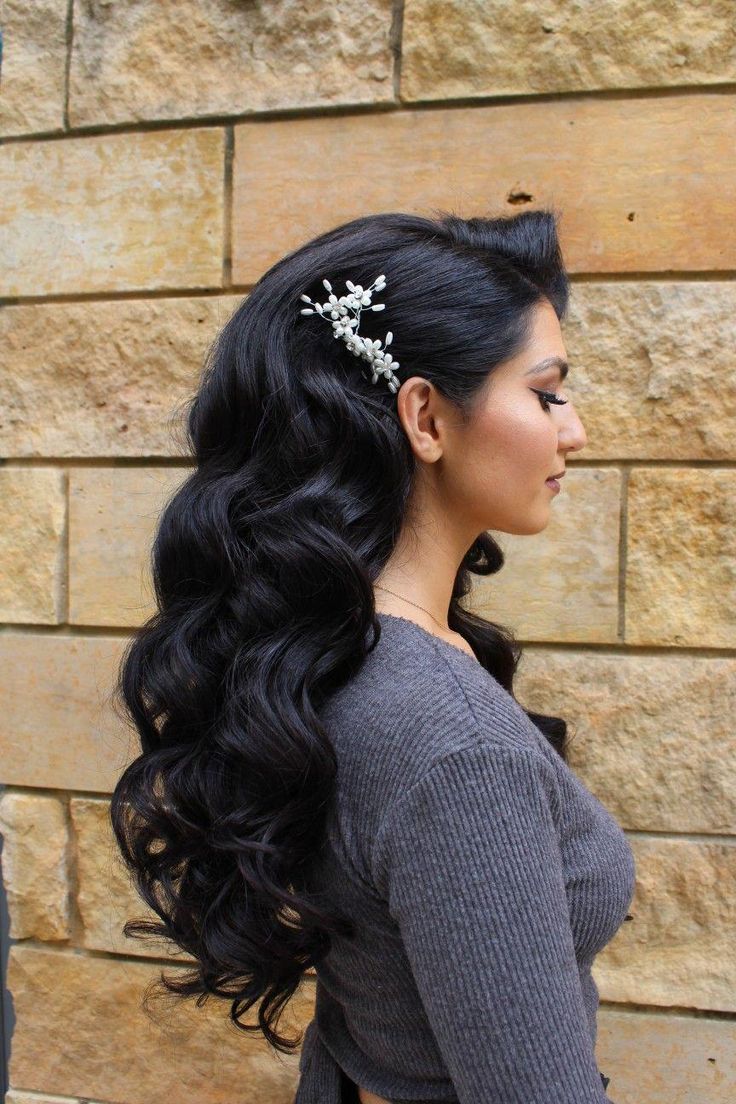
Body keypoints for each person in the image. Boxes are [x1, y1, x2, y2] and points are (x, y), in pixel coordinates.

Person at [109, 208, 633, 1104]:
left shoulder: (331, 659)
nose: (572, 430)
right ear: (425, 416)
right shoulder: (454, 752)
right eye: (547, 393)